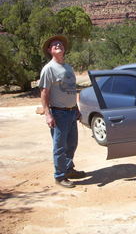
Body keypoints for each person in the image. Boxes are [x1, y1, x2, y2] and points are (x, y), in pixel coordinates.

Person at [38, 35, 86, 188]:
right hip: (59, 113)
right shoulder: (48, 69)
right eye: (54, 45)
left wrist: (76, 109)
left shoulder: (68, 68)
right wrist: (47, 114)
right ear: (49, 50)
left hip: (72, 112)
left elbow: (72, 90)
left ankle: (68, 169)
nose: (58, 45)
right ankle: (59, 176)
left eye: (60, 44)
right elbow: (44, 93)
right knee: (60, 146)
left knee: (72, 143)